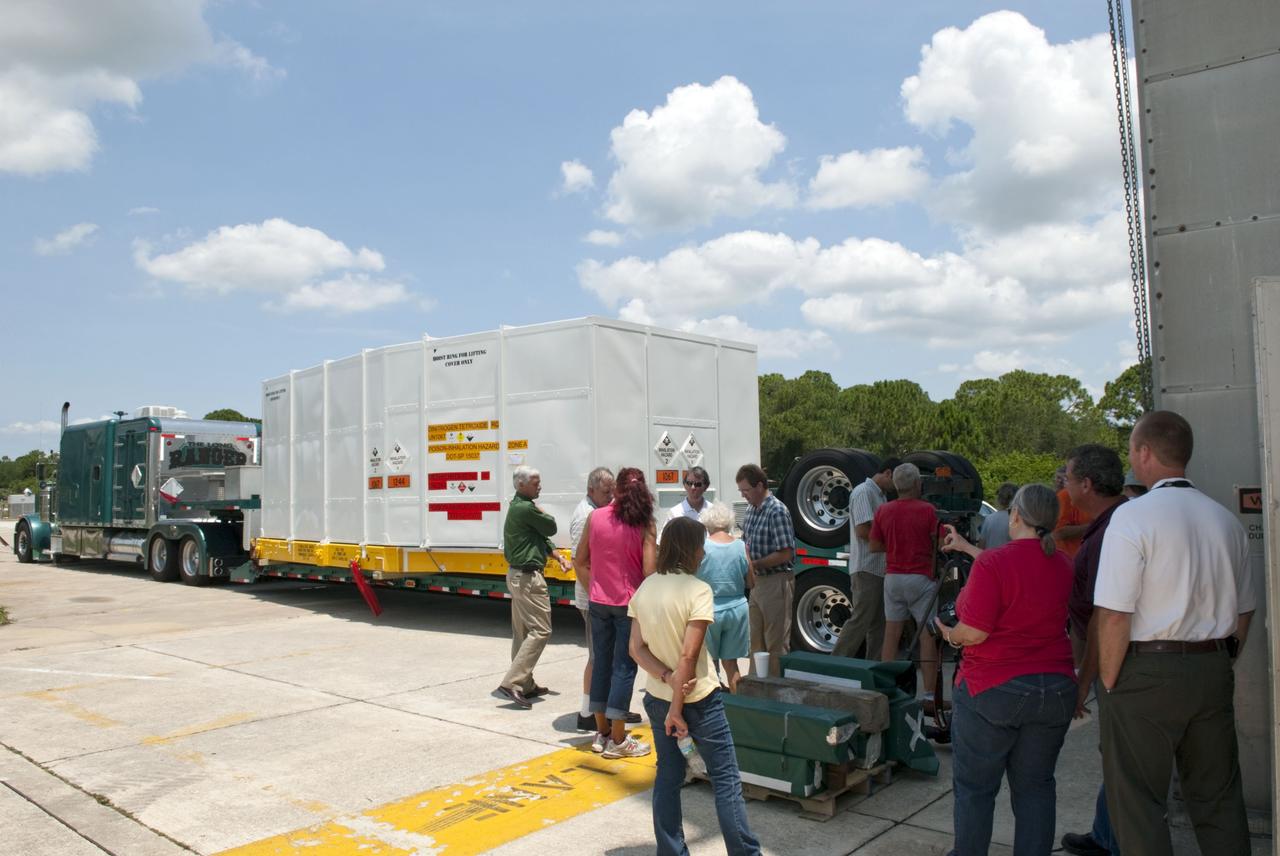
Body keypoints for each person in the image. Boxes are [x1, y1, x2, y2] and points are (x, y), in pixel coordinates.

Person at [1094, 411, 1256, 856]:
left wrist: (1109, 684)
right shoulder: (1225, 520)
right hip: (1212, 667)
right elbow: (1246, 609)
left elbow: (1113, 614)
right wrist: (1223, 657)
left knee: (1139, 803)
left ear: (1145, 453)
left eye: (1132, 450)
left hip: (1145, 670)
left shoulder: (1132, 518)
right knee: (1218, 798)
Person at [937, 484, 1077, 856]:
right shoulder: (1063, 563)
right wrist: (969, 549)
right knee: (1036, 788)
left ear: (1014, 515)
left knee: (975, 790)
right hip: (1056, 689)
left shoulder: (993, 564)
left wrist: (951, 636)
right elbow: (1022, 567)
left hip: (992, 690)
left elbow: (975, 631)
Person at [628, 516, 762, 856]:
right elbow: (688, 655)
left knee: (668, 779)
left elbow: (636, 649)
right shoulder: (698, 590)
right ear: (690, 550)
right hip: (698, 701)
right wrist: (677, 705)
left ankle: (671, 851)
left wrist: (665, 679)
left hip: (657, 698)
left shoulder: (646, 588)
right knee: (727, 780)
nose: (703, 553)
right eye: (700, 547)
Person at [1056, 445, 1127, 856]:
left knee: (1120, 757)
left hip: (1116, 661)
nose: (1063, 483)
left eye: (1067, 477)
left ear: (1086, 484)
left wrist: (1084, 680)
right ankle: (1105, 835)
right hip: (1114, 657)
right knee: (1114, 756)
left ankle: (1114, 843)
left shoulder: (1113, 530)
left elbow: (1107, 614)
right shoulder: (1109, 524)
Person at [576, 466, 657, 758]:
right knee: (624, 667)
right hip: (628, 603)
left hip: (599, 601)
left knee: (601, 663)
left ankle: (603, 732)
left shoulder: (595, 516)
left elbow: (580, 560)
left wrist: (595, 586)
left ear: (617, 489)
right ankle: (619, 740)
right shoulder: (644, 523)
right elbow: (649, 571)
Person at [495, 465, 572, 709]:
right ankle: (513, 682)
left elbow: (539, 536)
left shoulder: (520, 508)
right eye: (535, 483)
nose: (540, 486)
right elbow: (549, 526)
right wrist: (540, 510)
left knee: (523, 632)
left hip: (518, 576)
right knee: (541, 630)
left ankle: (524, 684)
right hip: (527, 579)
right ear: (521, 485)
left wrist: (557, 555)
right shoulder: (525, 508)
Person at [875, 463, 942, 705]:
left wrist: (894, 547)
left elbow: (874, 545)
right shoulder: (928, 510)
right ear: (916, 484)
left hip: (893, 577)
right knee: (927, 636)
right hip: (921, 577)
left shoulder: (883, 510)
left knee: (891, 635)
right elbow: (942, 541)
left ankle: (886, 689)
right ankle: (928, 694)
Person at [570, 467, 630, 732]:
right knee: (599, 657)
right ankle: (590, 713)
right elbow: (579, 561)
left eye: (613, 492)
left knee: (606, 656)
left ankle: (607, 710)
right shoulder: (587, 516)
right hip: (595, 598)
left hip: (601, 596)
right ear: (591, 490)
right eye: (607, 493)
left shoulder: (599, 511)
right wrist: (599, 593)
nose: (612, 498)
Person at [832, 457, 901, 660]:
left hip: (878, 569)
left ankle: (873, 668)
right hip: (866, 568)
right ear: (888, 473)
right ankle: (835, 663)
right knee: (861, 619)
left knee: (878, 624)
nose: (896, 487)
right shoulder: (864, 492)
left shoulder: (880, 495)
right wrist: (893, 544)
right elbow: (863, 530)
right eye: (895, 480)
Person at [736, 463, 794, 677]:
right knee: (755, 642)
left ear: (760, 486)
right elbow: (746, 543)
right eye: (741, 491)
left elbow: (785, 553)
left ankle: (776, 692)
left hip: (776, 581)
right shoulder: (751, 510)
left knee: (775, 643)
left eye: (746, 490)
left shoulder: (777, 511)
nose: (743, 495)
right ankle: (755, 687)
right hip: (757, 583)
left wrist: (755, 564)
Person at [694, 501, 754, 692]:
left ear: (707, 524)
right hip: (737, 608)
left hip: (708, 610)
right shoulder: (740, 546)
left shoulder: (702, 547)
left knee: (708, 666)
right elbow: (751, 582)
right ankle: (738, 708)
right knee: (732, 665)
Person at [1053, 465, 1092, 559]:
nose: (1059, 481)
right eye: (1057, 478)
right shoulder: (1063, 496)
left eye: (1062, 478)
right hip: (1068, 558)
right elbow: (1059, 532)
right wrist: (1095, 526)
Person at [978, 482, 1017, 550]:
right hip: (1010, 559)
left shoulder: (989, 519)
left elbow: (981, 545)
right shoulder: (1018, 520)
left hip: (991, 559)